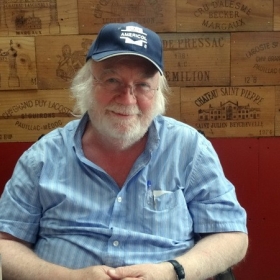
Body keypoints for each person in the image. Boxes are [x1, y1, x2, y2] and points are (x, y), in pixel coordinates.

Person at [0, 22, 248, 280]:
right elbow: (4, 243)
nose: (127, 99)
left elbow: (231, 236)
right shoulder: (42, 156)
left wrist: (171, 272)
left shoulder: (190, 149)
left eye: (142, 85)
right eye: (112, 80)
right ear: (86, 84)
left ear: (158, 92)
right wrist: (68, 278)